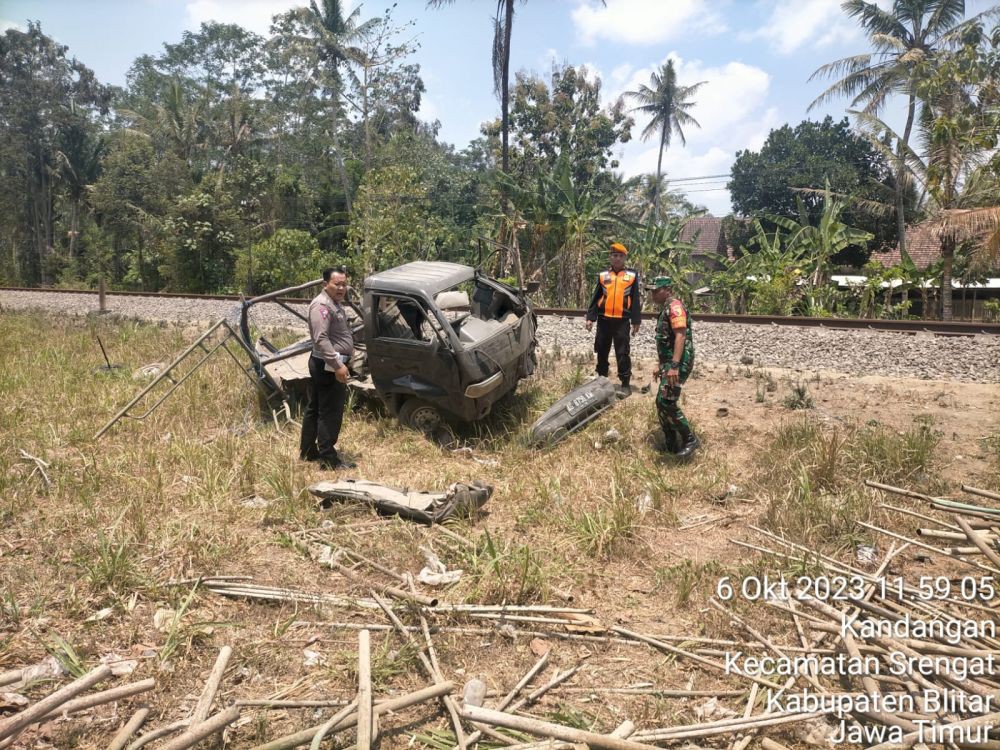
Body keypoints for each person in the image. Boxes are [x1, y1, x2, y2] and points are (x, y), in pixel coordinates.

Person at [300, 266, 357, 470]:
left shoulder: (334, 303)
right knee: (329, 411)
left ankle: (308, 451)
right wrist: (338, 365)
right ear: (326, 284)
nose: (341, 288)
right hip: (328, 365)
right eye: (337, 284)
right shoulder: (321, 305)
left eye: (344, 284)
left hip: (327, 363)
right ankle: (328, 459)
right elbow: (321, 339)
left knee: (316, 408)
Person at [651, 276, 699, 459]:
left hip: (679, 362)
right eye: (652, 291)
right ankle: (671, 443)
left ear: (668, 290)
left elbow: (680, 336)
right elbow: (666, 341)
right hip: (670, 362)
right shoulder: (666, 308)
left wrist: (675, 366)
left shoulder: (675, 307)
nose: (652, 295)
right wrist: (660, 364)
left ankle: (689, 439)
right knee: (661, 402)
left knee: (666, 401)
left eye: (656, 291)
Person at [585, 242, 641, 396]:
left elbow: (635, 299)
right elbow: (596, 297)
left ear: (625, 258)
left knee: (622, 352)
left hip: (622, 321)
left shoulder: (632, 276)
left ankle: (625, 384)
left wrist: (636, 320)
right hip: (604, 320)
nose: (617, 258)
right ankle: (601, 379)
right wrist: (590, 318)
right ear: (610, 257)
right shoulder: (603, 276)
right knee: (602, 350)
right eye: (614, 255)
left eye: (620, 256)